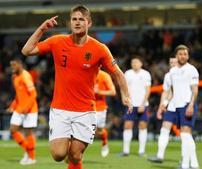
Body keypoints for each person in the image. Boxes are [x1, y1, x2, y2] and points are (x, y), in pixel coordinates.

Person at [21, 5, 131, 169]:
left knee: (75, 155)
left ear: (89, 23)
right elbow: (26, 50)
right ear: (70, 22)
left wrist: (126, 95)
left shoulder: (100, 49)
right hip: (60, 109)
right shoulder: (57, 41)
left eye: (81, 19)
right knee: (59, 155)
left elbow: (118, 74)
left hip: (85, 111)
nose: (77, 22)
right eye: (74, 19)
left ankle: (74, 158)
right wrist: (42, 28)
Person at [168, 45, 199, 169]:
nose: (183, 56)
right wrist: (166, 103)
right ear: (176, 56)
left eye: (185, 54)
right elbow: (172, 89)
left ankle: (185, 165)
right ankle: (195, 163)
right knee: (186, 135)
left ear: (188, 56)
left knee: (185, 134)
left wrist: (191, 105)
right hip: (177, 106)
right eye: (180, 54)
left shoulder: (192, 70)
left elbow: (195, 90)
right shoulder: (172, 71)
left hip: (187, 104)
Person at [7, 59, 38, 165]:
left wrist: (26, 107)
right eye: (11, 66)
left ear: (20, 64)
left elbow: (33, 94)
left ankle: (32, 158)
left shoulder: (26, 76)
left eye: (14, 65)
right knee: (12, 130)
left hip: (30, 110)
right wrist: (13, 105)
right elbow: (18, 94)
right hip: (19, 109)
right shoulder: (14, 77)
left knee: (28, 132)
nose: (13, 67)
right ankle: (28, 150)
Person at [119, 57, 151, 157]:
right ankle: (125, 151)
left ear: (141, 63)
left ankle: (141, 151)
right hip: (131, 104)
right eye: (133, 62)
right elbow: (122, 87)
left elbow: (148, 90)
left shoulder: (146, 74)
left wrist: (143, 103)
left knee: (142, 126)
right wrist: (123, 97)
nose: (134, 64)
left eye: (136, 62)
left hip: (142, 104)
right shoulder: (128, 73)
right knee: (127, 126)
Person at [147, 57, 178, 163]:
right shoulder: (168, 76)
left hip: (182, 106)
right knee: (164, 129)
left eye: (175, 62)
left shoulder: (185, 73)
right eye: (171, 62)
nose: (173, 64)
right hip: (171, 106)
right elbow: (167, 92)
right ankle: (160, 156)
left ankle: (189, 160)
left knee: (185, 133)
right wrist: (162, 105)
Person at [94, 69, 116, 157]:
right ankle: (78, 154)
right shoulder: (85, 73)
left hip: (99, 107)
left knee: (99, 130)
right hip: (85, 106)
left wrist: (99, 92)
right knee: (85, 130)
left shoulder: (104, 76)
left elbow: (113, 92)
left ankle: (104, 142)